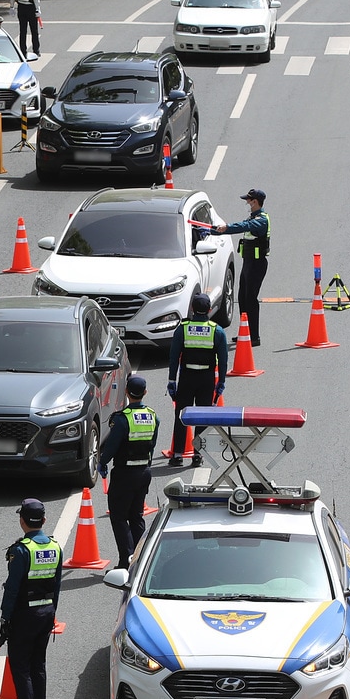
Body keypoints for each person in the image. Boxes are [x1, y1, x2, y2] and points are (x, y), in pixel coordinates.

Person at [0, 498, 62, 699]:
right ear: (44, 520)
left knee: (21, 666)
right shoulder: (55, 547)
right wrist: (53, 611)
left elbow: (12, 588)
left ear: (22, 521)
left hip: (25, 614)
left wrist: (5, 617)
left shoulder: (21, 550)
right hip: (46, 611)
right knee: (38, 665)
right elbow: (56, 585)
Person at [98, 376, 159, 571]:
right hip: (144, 471)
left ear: (126, 392)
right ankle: (139, 558)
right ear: (145, 393)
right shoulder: (152, 416)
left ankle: (126, 561)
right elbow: (152, 445)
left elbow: (111, 447)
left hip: (125, 473)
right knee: (136, 516)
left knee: (118, 517)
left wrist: (102, 462)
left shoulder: (122, 419)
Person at [166, 293, 228, 466]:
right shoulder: (217, 331)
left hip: (186, 377)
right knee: (202, 417)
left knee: (181, 416)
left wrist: (172, 380)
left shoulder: (183, 328)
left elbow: (173, 357)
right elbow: (223, 361)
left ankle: (177, 455)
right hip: (206, 379)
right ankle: (197, 455)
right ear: (209, 309)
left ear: (192, 308)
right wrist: (221, 382)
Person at [215, 189, 270, 346]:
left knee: (250, 299)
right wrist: (216, 231)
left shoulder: (261, 220)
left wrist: (226, 228)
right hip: (248, 263)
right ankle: (245, 332)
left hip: (256, 264)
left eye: (249, 199)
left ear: (255, 201)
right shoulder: (254, 217)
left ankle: (254, 337)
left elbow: (244, 226)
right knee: (242, 298)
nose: (246, 202)